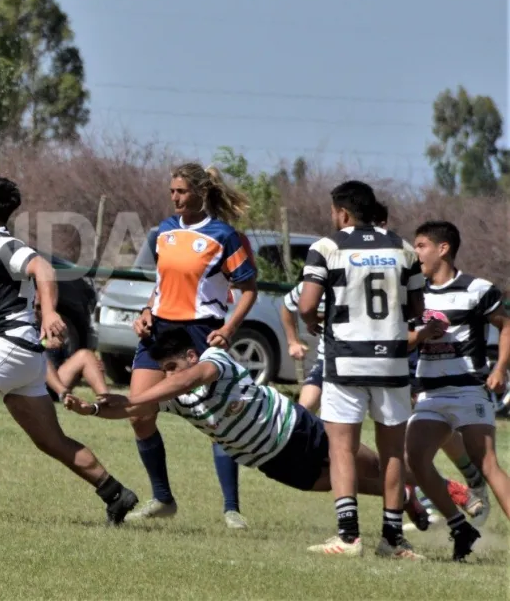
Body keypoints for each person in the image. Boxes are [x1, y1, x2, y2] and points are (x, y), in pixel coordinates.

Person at [62, 326, 471, 544]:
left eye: (172, 366)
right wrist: (95, 407)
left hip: (297, 428)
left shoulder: (213, 360)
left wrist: (144, 395)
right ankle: (404, 499)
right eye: (163, 370)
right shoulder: (170, 395)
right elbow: (129, 406)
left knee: (379, 464)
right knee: (364, 486)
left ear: (189, 356)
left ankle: (451, 491)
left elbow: (183, 382)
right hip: (273, 462)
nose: (168, 375)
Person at [0, 176, 139, 525]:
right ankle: (115, 493)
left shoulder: (4, 245)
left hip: (11, 343)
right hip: (25, 355)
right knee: (51, 440)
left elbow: (43, 268)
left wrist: (49, 311)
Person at [126, 163, 258, 529]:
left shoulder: (224, 235)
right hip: (160, 330)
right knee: (139, 412)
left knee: (219, 419)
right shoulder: (164, 232)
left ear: (201, 192)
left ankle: (231, 508)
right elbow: (162, 283)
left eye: (182, 191)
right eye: (172, 191)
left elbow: (248, 290)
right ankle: (163, 498)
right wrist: (146, 310)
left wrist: (229, 329)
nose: (175, 197)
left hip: (202, 331)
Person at [299, 181, 422, 559]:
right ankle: (393, 538)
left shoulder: (327, 247)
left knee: (342, 450)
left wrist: (310, 322)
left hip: (346, 361)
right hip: (392, 361)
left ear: (344, 213)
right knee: (393, 453)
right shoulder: (403, 248)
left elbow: (306, 305)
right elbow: (416, 308)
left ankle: (349, 536)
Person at [404, 220, 510, 561]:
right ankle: (459, 527)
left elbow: (506, 327)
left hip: (468, 392)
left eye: (420, 245)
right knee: (415, 461)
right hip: (431, 395)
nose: (416, 252)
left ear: (443, 248)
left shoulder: (477, 288)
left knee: (488, 464)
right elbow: (403, 337)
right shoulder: (414, 292)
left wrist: (500, 369)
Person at [281, 202, 390, 414]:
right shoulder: (328, 273)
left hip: (381, 360)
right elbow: (290, 305)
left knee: (409, 421)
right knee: (303, 414)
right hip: (332, 360)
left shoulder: (393, 269)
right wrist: (293, 340)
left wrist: (315, 316)